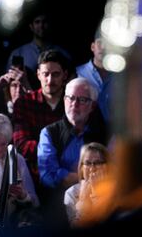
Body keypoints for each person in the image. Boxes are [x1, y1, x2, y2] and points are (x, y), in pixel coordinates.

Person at [38, 77, 107, 225]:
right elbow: (47, 175)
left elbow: (113, 172)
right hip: (58, 209)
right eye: (71, 98)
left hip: (101, 207)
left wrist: (67, 176)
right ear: (64, 100)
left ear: (92, 106)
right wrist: (86, 178)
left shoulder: (106, 133)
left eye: (82, 100)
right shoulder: (49, 133)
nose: (74, 104)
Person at [12, 50, 70, 182]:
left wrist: (43, 149)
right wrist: (58, 149)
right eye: (45, 74)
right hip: (33, 178)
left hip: (69, 177)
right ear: (38, 74)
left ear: (65, 75)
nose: (50, 80)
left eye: (55, 74)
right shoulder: (24, 103)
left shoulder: (74, 102)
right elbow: (21, 145)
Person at [64, 142, 109, 227]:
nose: (92, 168)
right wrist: (84, 202)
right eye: (88, 163)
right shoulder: (71, 193)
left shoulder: (117, 188)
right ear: (81, 168)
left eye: (98, 162)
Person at [76, 34, 111, 122]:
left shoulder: (120, 76)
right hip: (87, 130)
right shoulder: (78, 73)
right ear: (92, 47)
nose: (103, 47)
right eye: (99, 42)